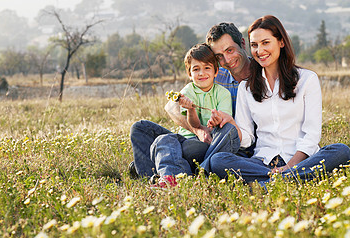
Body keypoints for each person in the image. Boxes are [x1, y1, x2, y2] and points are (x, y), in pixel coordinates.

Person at [206, 15, 350, 187]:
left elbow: (311, 135)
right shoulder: (246, 87)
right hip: (262, 163)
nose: (259, 51)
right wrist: (231, 123)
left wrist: (289, 167)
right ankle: (288, 180)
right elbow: (247, 139)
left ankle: (274, 182)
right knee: (218, 160)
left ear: (281, 42)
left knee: (341, 151)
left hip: (299, 160)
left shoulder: (307, 79)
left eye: (265, 43)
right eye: (254, 45)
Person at [130, 22, 251, 179]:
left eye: (230, 50)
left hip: (223, 144)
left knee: (191, 147)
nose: (226, 60)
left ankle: (179, 171)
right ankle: (156, 177)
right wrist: (198, 130)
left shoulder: (262, 77)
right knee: (141, 128)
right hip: (196, 138)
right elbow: (172, 107)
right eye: (219, 56)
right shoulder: (212, 72)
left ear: (242, 44)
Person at [148, 43, 239, 186]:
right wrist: (190, 109)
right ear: (190, 74)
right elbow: (195, 125)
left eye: (207, 68)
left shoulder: (223, 94)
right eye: (196, 69)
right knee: (163, 140)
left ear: (216, 71)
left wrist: (215, 121)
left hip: (209, 144)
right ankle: (171, 178)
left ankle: (178, 173)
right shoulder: (187, 92)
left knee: (187, 150)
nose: (202, 73)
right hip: (188, 139)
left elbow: (224, 125)